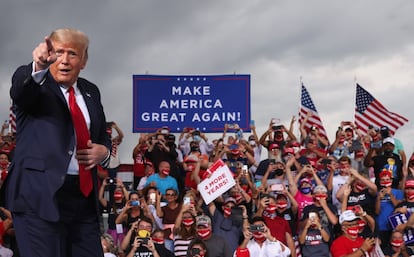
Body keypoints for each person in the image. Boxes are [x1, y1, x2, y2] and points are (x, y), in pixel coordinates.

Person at [4, 28, 111, 257]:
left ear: (84, 60)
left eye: (72, 53)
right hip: (39, 198)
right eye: (58, 52)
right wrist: (38, 66)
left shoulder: (91, 91)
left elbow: (102, 135)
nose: (64, 60)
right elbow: (20, 92)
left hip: (83, 201)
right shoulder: (34, 83)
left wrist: (104, 152)